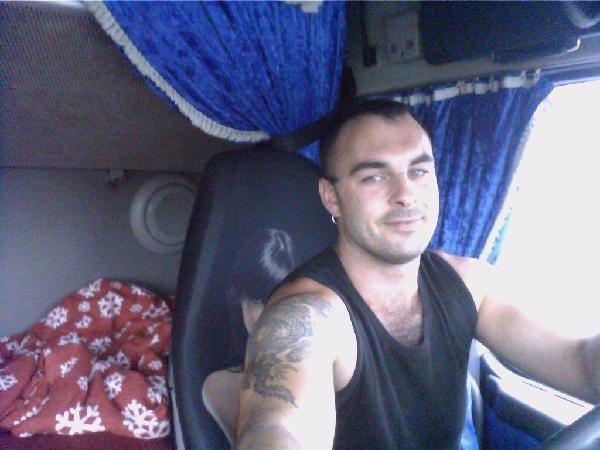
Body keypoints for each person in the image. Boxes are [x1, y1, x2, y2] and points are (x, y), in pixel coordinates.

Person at [236, 99, 600, 449]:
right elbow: (276, 427)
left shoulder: (469, 283)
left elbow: (580, 362)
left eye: (419, 171)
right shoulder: (306, 314)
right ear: (331, 198)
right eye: (374, 177)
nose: (406, 194)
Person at [202, 228, 296, 445]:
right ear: (241, 300)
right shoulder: (221, 386)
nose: (268, 315)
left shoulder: (328, 372)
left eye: (279, 301)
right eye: (257, 300)